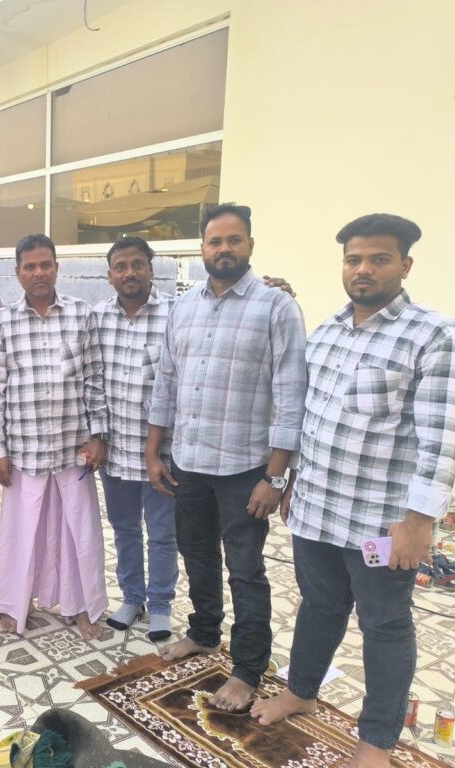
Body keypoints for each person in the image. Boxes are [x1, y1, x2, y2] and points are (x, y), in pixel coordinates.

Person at [251, 214, 455, 766]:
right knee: (319, 606)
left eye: (378, 259)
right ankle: (301, 692)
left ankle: (375, 743)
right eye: (354, 259)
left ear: (405, 265)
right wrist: (292, 481)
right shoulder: (327, 332)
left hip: (382, 525)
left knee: (385, 627)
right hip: (318, 511)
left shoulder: (437, 336)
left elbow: (442, 438)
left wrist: (419, 522)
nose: (363, 269)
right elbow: (310, 419)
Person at [145, 203, 308, 712]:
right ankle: (204, 632)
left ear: (250, 245)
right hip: (189, 463)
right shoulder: (183, 308)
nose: (224, 249)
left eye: (234, 240)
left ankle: (247, 667)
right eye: (215, 241)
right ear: (202, 248)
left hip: (245, 470)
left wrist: (275, 477)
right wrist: (154, 452)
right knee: (195, 555)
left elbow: (291, 396)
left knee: (245, 569)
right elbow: (166, 383)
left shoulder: (276, 308)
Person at [0, 234, 109, 640]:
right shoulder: (3, 321)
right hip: (24, 448)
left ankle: (82, 606)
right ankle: (15, 603)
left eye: (45, 265)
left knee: (79, 533)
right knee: (22, 532)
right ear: (17, 273)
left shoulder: (80, 314)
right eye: (30, 267)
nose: (38, 273)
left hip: (73, 447)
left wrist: (98, 435)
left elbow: (94, 379)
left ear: (57, 268)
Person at [93, 238, 177, 640]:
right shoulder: (97, 318)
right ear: (110, 275)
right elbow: (93, 382)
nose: (130, 273)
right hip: (116, 451)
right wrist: (96, 435)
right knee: (125, 529)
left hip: (162, 455)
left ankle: (160, 605)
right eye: (121, 266)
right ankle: (132, 598)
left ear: (151, 269)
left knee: (162, 535)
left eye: (137, 264)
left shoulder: (175, 315)